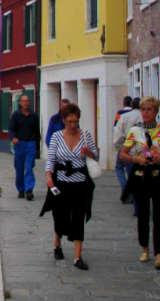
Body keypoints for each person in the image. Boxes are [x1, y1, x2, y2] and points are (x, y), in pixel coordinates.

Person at [120, 96, 160, 270]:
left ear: (156, 111)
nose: (145, 113)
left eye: (149, 109)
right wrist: (136, 159)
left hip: (159, 176)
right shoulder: (135, 131)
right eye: (143, 109)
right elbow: (123, 154)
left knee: (159, 215)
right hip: (141, 176)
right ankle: (144, 248)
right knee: (143, 214)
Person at [40, 103, 98, 271]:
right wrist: (48, 176)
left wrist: (89, 152)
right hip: (61, 181)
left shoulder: (85, 135)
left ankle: (78, 257)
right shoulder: (57, 136)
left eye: (76, 121)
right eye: (70, 121)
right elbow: (51, 159)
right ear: (64, 120)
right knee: (60, 215)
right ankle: (57, 244)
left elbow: (96, 155)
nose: (73, 125)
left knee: (79, 216)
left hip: (80, 182)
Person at [8, 94, 41, 200]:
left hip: (31, 143)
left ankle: (29, 190)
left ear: (29, 102)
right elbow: (11, 129)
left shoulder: (34, 116)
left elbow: (37, 131)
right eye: (23, 101)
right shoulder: (16, 115)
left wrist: (37, 147)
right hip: (19, 143)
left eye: (27, 101)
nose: (25, 103)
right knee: (19, 167)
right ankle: (21, 189)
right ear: (20, 103)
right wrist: (13, 138)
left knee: (29, 166)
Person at [113, 97, 142, 212]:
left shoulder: (124, 117)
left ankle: (137, 206)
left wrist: (121, 150)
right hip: (144, 152)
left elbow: (118, 136)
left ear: (132, 106)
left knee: (132, 178)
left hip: (129, 153)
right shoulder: (147, 117)